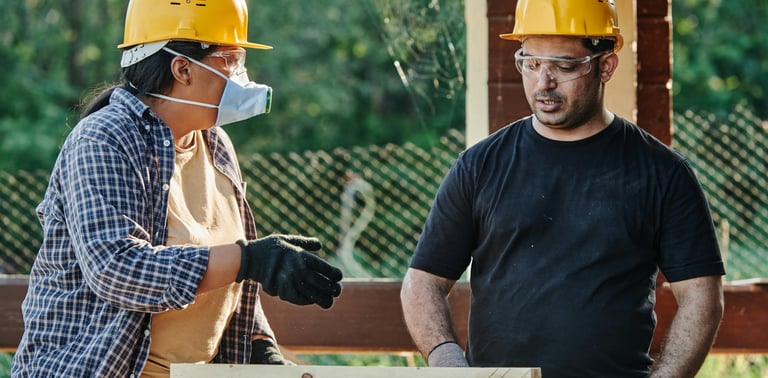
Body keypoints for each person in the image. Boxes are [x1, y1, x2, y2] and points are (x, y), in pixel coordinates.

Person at [11, 0, 343, 376]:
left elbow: (225, 274)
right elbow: (115, 269)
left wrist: (259, 345)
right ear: (182, 68)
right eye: (230, 59)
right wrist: (249, 260)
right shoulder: (104, 140)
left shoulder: (215, 144)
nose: (241, 75)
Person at [400, 0, 725, 377]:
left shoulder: (664, 173)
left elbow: (702, 296)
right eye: (531, 63)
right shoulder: (479, 166)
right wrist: (451, 367)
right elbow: (422, 282)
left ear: (605, 66)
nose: (544, 82)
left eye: (564, 66)